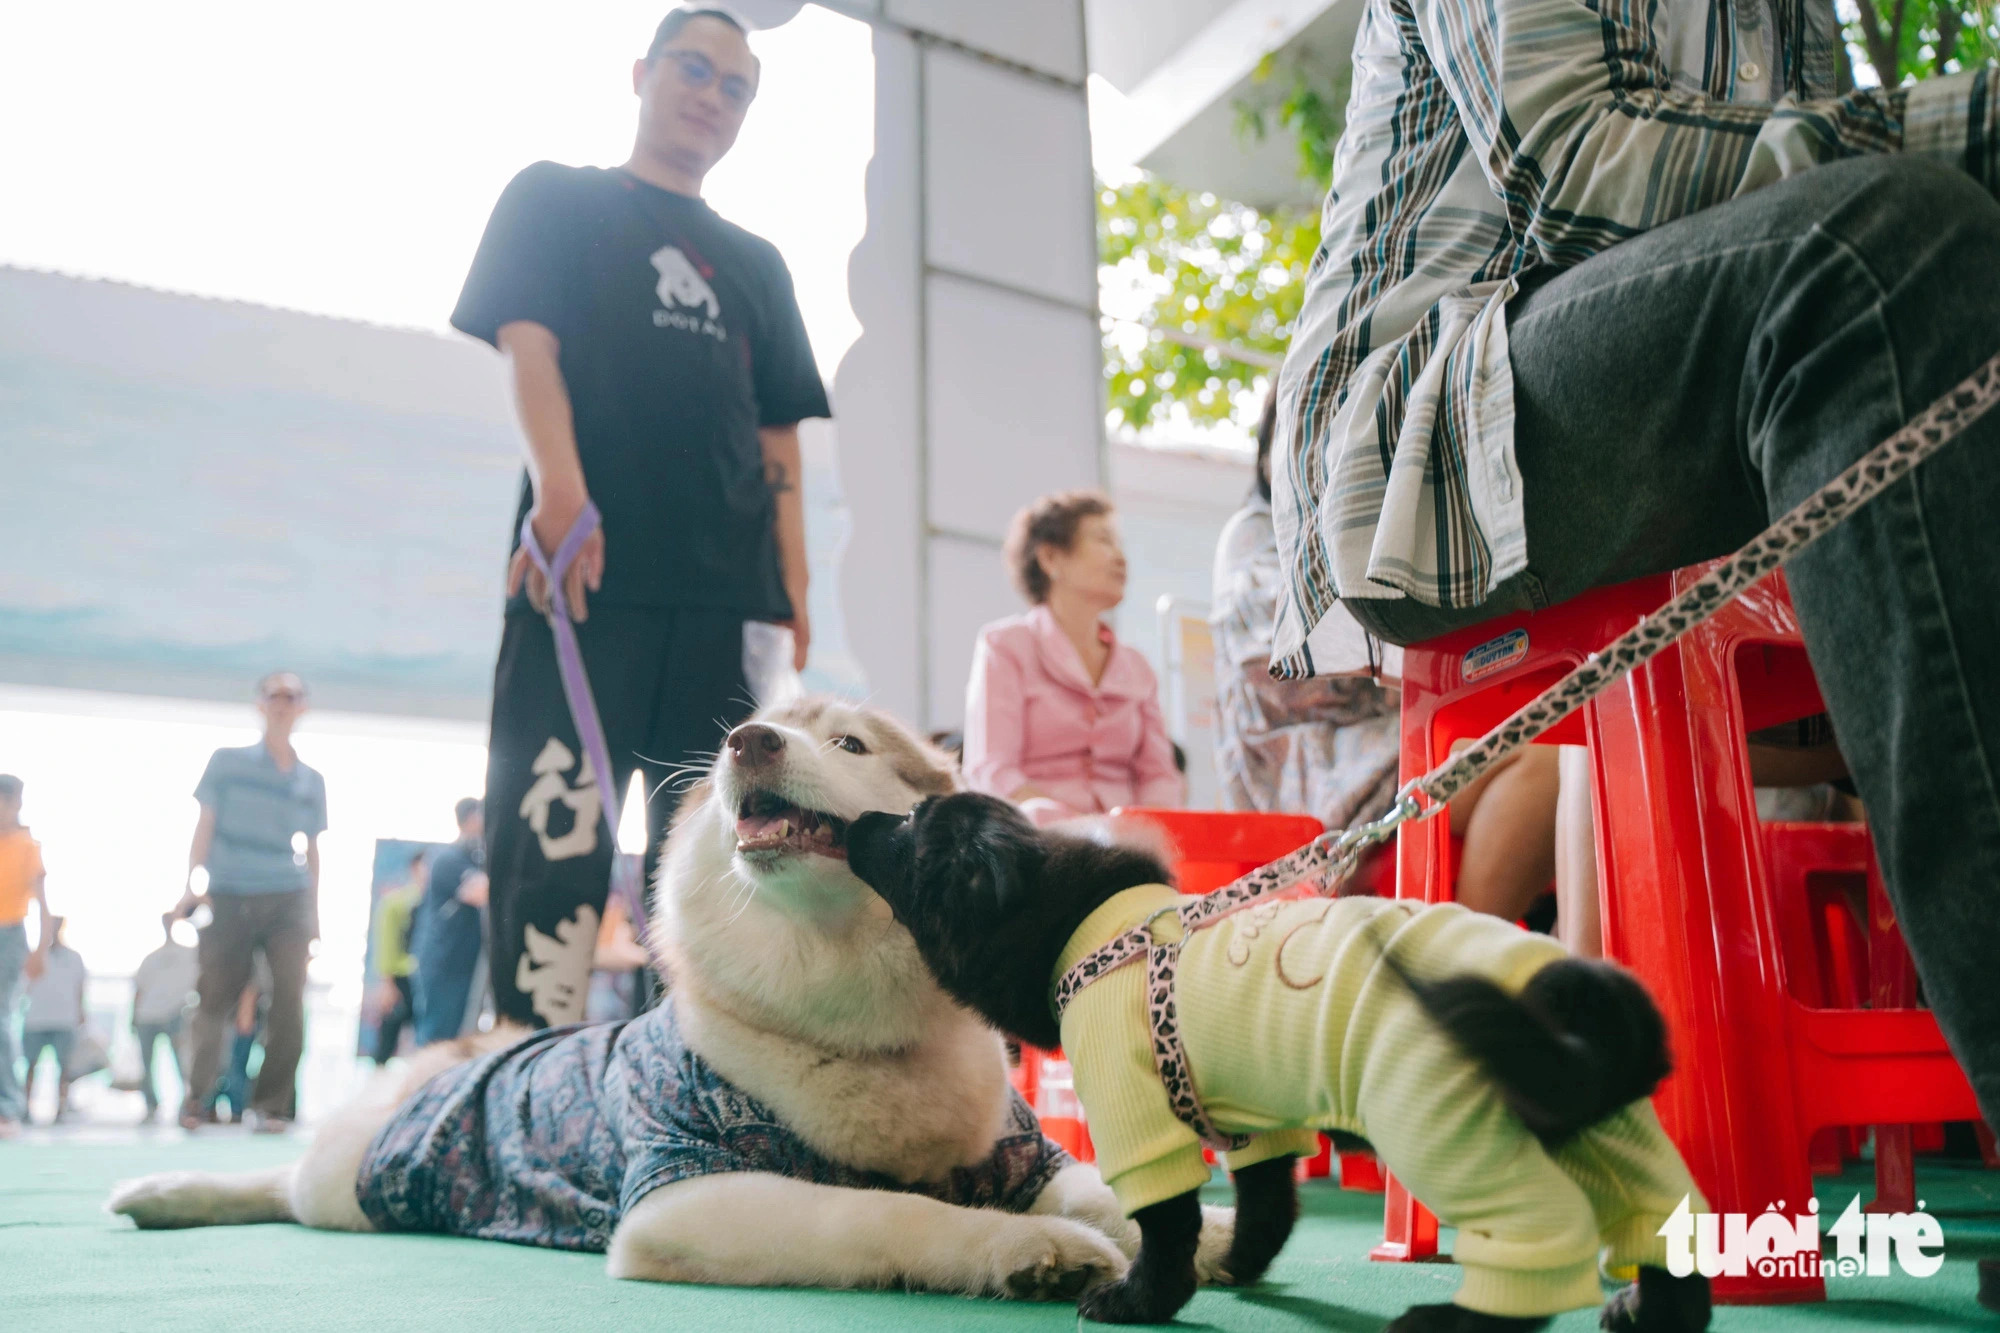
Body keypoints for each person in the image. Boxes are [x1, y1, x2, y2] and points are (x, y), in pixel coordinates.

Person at [1268, 0, 2000, 1226]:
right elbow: (1588, 159)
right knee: (1889, 243)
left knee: (1917, 246)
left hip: (1708, 395)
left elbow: (1793, 169)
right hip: (1440, 422)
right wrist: (1958, 126)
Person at [451, 6, 830, 1027]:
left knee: (704, 849)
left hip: (722, 601)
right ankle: (529, 1057)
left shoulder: (758, 264)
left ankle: (694, 1063)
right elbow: (527, 347)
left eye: (734, 86)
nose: (710, 96)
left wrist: (793, 587)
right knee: (552, 830)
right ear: (641, 73)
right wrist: (560, 489)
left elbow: (777, 440)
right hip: (582, 572)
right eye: (692, 70)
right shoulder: (557, 200)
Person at [964, 491, 1182, 826]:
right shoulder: (1006, 646)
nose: (1121, 557)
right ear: (1050, 558)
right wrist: (1076, 829)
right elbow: (991, 770)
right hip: (1035, 839)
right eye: (1103, 540)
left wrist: (1144, 828)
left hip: (1129, 846)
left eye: (1119, 544)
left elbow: (1160, 776)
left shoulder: (1137, 668)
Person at [174, 671, 327, 1132]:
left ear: (302, 708)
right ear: (260, 704)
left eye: (292, 696)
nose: (283, 703)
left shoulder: (311, 780)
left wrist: (315, 915)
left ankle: (273, 1106)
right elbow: (205, 823)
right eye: (275, 695)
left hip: (289, 898)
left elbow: (314, 850)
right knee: (213, 1001)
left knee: (288, 1002)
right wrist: (190, 882)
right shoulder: (227, 762)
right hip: (230, 892)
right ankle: (197, 1098)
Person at [0, 773, 53, 1138]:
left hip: (10, 934)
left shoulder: (26, 846)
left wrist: (41, 950)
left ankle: (6, 1106)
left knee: (1, 1019)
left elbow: (44, 907)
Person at [411, 799, 488, 1047]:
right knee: (437, 1040)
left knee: (455, 1040)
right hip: (444, 965)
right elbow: (480, 891)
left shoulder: (475, 859)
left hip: (463, 965)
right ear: (470, 819)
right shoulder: (449, 859)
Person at [130, 912, 197, 1123]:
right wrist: (133, 1018)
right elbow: (139, 990)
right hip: (146, 1017)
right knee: (146, 1065)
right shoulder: (151, 958)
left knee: (183, 1064)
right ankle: (151, 1105)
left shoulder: (190, 955)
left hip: (176, 1016)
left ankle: (187, 1105)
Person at [20, 916, 85, 1124]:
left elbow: (80, 988)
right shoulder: (34, 956)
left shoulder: (74, 958)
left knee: (64, 1068)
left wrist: (81, 1014)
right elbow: (23, 986)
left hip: (64, 1020)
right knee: (30, 1066)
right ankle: (24, 1108)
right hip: (35, 1019)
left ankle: (61, 1109)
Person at [368, 852, 425, 1065]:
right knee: (388, 1038)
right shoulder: (395, 902)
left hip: (428, 978)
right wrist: (387, 983)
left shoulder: (435, 903)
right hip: (400, 978)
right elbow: (385, 944)